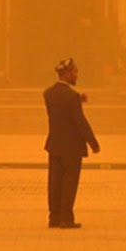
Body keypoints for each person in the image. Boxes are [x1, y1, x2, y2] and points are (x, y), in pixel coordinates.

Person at [43, 57, 99, 229]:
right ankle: (66, 218)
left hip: (54, 144)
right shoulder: (72, 97)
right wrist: (93, 142)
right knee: (69, 183)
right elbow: (79, 121)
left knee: (54, 182)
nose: (76, 75)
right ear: (67, 74)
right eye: (74, 72)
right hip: (72, 147)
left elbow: (61, 108)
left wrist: (77, 100)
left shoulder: (48, 94)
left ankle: (54, 217)